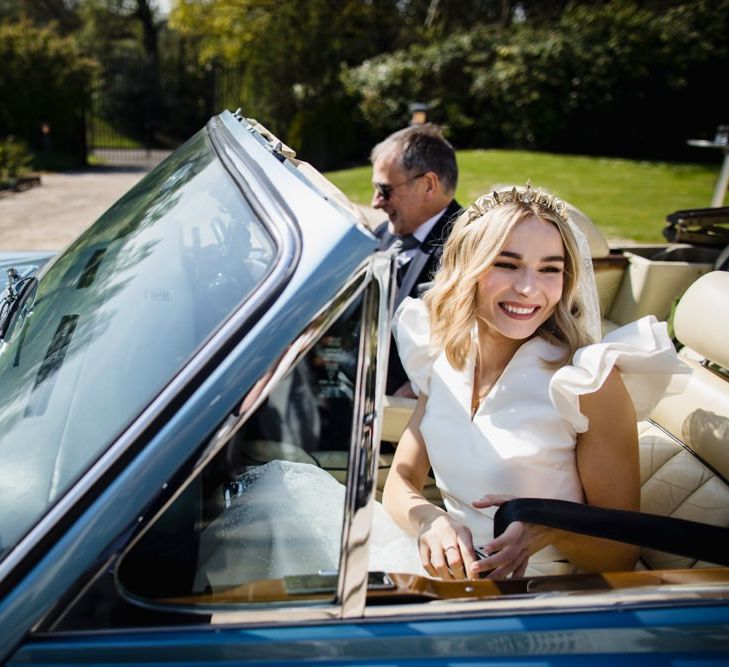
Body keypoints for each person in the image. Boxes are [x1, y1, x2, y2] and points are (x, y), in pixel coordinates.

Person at [382, 183, 687, 580]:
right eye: (506, 264)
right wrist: (428, 518)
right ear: (466, 268)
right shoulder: (442, 353)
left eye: (549, 269)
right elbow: (401, 480)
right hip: (444, 580)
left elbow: (619, 557)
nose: (529, 289)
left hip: (538, 601)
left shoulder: (588, 383)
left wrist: (553, 528)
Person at [370, 123, 462, 396]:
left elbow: (465, 348)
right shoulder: (382, 235)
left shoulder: (465, 247)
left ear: (428, 185)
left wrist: (412, 391)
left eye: (385, 190)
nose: (376, 202)